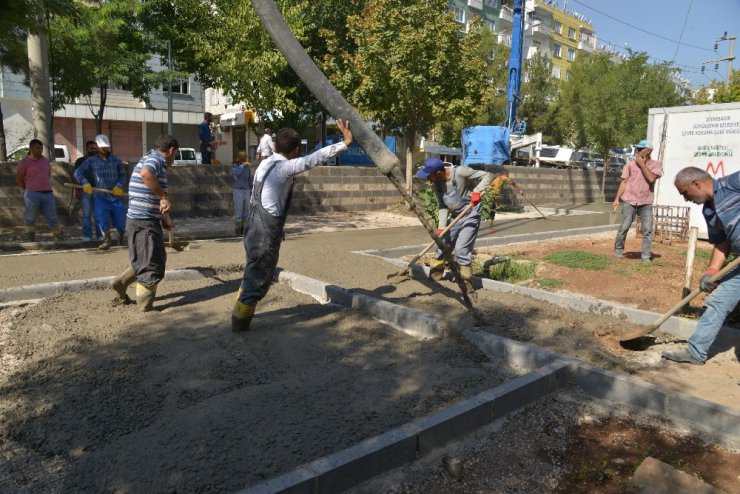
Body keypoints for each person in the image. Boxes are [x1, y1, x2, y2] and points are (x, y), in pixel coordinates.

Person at [232, 120, 352, 332]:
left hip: (253, 226)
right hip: (264, 232)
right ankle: (239, 325)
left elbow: (267, 199)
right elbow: (313, 159)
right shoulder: (284, 168)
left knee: (253, 270)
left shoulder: (265, 164)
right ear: (295, 149)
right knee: (259, 278)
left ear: (276, 145)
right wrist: (344, 143)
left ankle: (241, 310)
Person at [662, 167, 740, 365]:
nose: (685, 199)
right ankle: (696, 353)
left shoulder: (733, 183)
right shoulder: (709, 211)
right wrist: (711, 271)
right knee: (717, 302)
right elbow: (722, 243)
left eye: (685, 193)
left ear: (697, 183)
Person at [109, 134, 178, 312]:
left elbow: (150, 196)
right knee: (152, 264)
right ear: (170, 150)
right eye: (175, 154)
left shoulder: (148, 158)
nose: (174, 158)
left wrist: (165, 222)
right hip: (143, 222)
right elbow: (146, 174)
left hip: (140, 219)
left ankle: (121, 283)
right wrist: (163, 196)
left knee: (144, 258)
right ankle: (145, 308)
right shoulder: (156, 161)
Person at [416, 158, 494, 290]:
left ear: (439, 172)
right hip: (456, 214)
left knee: (461, 249)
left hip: (471, 212)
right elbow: (442, 205)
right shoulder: (438, 184)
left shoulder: (461, 172)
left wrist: (477, 191)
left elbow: (488, 175)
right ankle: (434, 278)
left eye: (430, 175)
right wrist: (441, 227)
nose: (428, 178)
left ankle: (467, 285)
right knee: (442, 244)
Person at [611, 139, 663, 263]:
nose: (637, 151)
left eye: (640, 149)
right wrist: (617, 199)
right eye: (637, 149)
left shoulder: (656, 165)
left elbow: (651, 179)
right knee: (624, 227)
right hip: (629, 201)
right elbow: (624, 182)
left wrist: (642, 164)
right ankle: (618, 250)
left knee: (647, 230)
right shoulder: (629, 165)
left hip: (645, 202)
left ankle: (645, 256)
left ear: (648, 151)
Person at [74, 134, 127, 250]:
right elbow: (78, 172)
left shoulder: (116, 160)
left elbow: (123, 175)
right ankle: (106, 239)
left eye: (107, 147)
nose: (105, 149)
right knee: (101, 219)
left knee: (120, 221)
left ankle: (121, 234)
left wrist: (119, 185)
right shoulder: (91, 161)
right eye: (102, 147)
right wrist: (85, 183)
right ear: (97, 147)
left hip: (115, 196)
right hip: (100, 197)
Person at [15, 139, 63, 242]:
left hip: (47, 193)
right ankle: (30, 236)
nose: (40, 150)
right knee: (30, 216)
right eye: (38, 148)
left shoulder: (45, 161)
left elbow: (47, 175)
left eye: (41, 148)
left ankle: (58, 235)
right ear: (31, 148)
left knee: (52, 216)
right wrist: (27, 190)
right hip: (32, 194)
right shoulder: (24, 162)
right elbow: (19, 179)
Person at [73, 140, 100, 241]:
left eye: (95, 148)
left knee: (99, 214)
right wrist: (77, 190)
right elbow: (75, 176)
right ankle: (87, 235)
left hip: (98, 191)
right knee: (87, 214)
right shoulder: (80, 161)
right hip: (85, 191)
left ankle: (99, 235)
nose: (94, 150)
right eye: (91, 148)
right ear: (87, 149)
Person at [232, 150, 253, 236]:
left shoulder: (247, 167)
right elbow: (237, 173)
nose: (244, 160)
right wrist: (242, 166)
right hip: (238, 190)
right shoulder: (234, 166)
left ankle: (244, 230)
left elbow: (249, 178)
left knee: (247, 211)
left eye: (245, 159)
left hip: (247, 190)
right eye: (243, 159)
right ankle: (237, 231)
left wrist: (252, 188)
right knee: (238, 210)